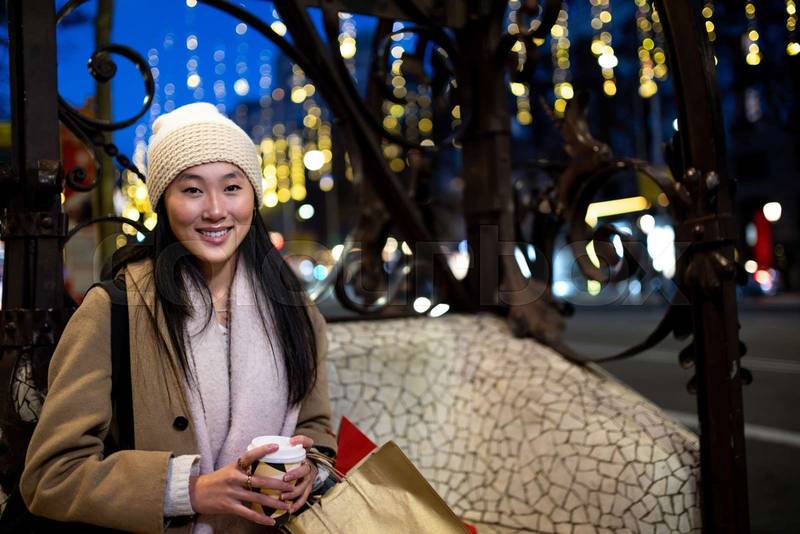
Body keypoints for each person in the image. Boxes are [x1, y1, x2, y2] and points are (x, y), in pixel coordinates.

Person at [20, 102, 337, 533]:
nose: (214, 210)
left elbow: (315, 429)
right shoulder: (114, 310)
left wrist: (310, 474)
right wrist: (188, 490)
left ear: (254, 196)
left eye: (231, 187)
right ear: (163, 202)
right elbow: (50, 476)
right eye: (191, 190)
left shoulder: (295, 311)